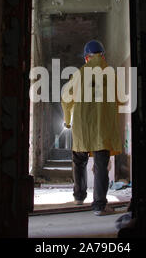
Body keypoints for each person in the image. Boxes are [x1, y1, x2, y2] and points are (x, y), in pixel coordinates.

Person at [61, 40, 122, 216]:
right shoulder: (111, 75)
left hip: (82, 128)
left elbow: (65, 99)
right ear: (102, 56)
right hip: (102, 130)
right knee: (101, 165)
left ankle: (79, 197)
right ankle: (99, 206)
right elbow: (121, 99)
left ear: (86, 57)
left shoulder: (79, 74)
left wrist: (67, 121)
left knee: (79, 161)